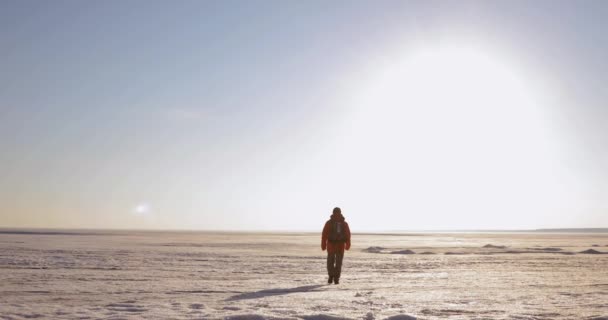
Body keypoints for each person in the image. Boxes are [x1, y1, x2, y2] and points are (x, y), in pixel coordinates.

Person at [321, 207, 351, 284]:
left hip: (335, 246)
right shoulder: (342, 223)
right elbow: (348, 235)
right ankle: (335, 277)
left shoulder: (332, 223)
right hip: (337, 246)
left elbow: (324, 234)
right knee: (337, 263)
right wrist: (348, 244)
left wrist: (323, 244)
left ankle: (333, 277)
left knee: (331, 262)